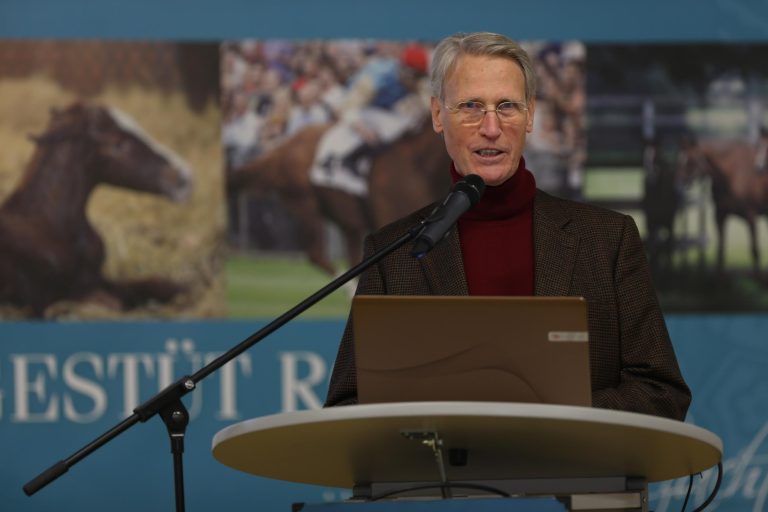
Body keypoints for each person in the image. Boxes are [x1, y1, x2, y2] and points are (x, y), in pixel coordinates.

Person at [324, 32, 691, 421]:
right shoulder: (392, 250)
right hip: (440, 479)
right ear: (437, 115)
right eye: (470, 106)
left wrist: (549, 419)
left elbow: (661, 395)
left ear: (530, 115)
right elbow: (348, 409)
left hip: (572, 474)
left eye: (507, 107)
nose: (491, 127)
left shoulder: (607, 241)